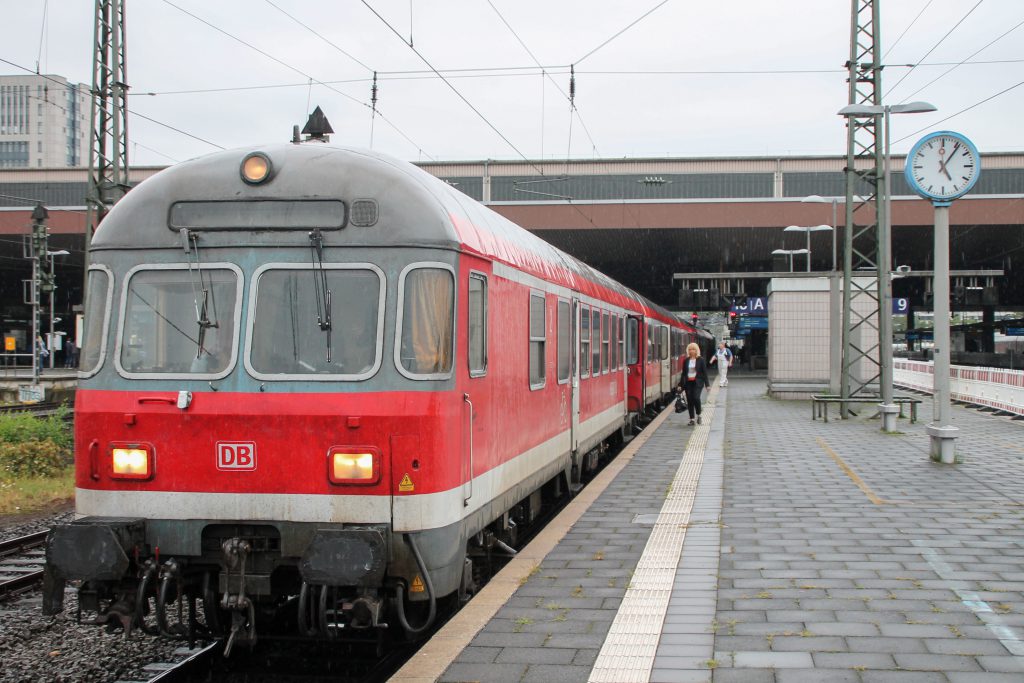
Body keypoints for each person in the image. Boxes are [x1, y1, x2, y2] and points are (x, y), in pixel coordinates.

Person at [677, 342, 710, 426]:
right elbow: (684, 373)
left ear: (697, 350)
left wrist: (707, 385)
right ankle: (692, 419)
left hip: (698, 382)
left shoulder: (701, 360)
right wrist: (680, 385)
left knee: (696, 397)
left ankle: (699, 414)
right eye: (690, 349)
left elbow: (704, 373)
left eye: (693, 349)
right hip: (688, 383)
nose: (691, 351)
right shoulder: (686, 360)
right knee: (690, 400)